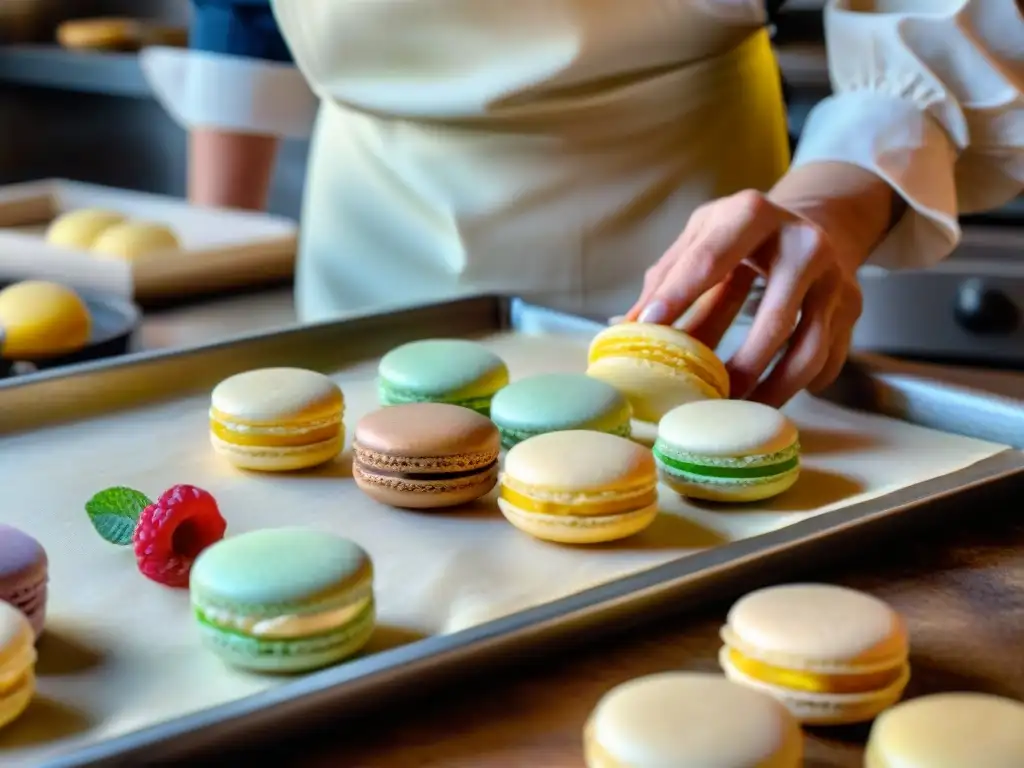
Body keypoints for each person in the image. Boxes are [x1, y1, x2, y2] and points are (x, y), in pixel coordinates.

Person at [141, 1, 1024, 407]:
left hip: (702, 273)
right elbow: (243, 15)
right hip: (369, 251)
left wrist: (829, 208)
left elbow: (931, 21)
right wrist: (208, 278)